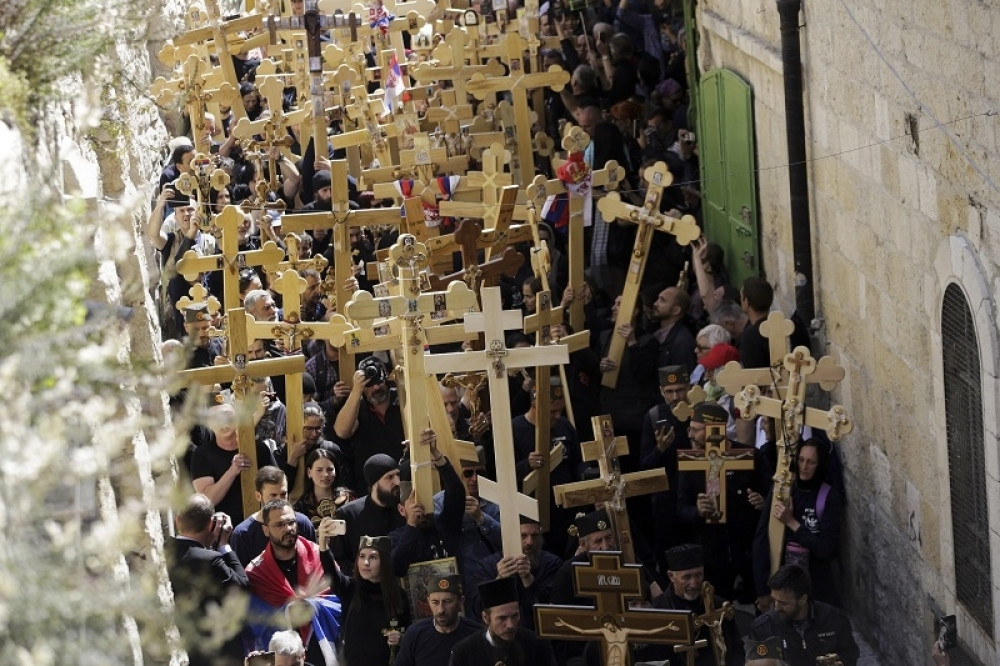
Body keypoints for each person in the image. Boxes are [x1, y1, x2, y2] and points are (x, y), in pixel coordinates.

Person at [245, 499, 341, 665]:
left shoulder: (320, 557)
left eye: (291, 522)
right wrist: (289, 611)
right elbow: (255, 623)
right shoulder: (256, 572)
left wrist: (313, 606)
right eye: (280, 525)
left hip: (321, 650)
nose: (288, 529)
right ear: (266, 530)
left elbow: (341, 600)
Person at [752, 438, 844, 609]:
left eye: (811, 462)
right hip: (780, 582)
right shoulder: (783, 490)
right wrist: (762, 590)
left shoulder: (828, 497)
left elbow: (826, 548)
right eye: (801, 460)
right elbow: (762, 538)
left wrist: (792, 523)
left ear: (820, 464)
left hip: (815, 586)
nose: (804, 466)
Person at [168, 493, 248, 666]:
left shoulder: (165, 552)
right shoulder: (211, 559)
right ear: (212, 524)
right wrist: (224, 546)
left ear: (178, 521)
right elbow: (242, 585)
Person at [318, 529, 409, 666]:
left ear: (384, 562)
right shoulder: (350, 588)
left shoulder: (398, 595)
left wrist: (401, 639)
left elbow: (409, 633)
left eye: (373, 557)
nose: (365, 562)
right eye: (361, 556)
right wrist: (323, 545)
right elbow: (331, 574)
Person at [645, 544, 742, 665]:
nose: (694, 583)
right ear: (671, 576)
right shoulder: (658, 611)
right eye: (687, 577)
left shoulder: (719, 606)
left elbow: (736, 649)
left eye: (698, 575)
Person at [747, 565, 859, 666]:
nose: (776, 608)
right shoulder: (762, 629)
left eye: (783, 603)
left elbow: (850, 655)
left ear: (802, 599)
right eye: (774, 600)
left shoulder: (835, 620)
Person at [466, 517, 563, 630]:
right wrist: (499, 580)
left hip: (538, 633)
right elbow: (477, 607)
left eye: (535, 535)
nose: (529, 542)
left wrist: (528, 579)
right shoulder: (487, 566)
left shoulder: (552, 564)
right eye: (523, 536)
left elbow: (551, 608)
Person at [190, 401, 278, 524]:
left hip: (262, 522)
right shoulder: (202, 454)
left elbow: (278, 484)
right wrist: (232, 471)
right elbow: (207, 500)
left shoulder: (257, 448)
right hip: (224, 528)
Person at [333, 357, 406, 497]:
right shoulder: (356, 407)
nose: (376, 388)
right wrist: (356, 390)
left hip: (402, 481)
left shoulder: (401, 400)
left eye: (379, 382)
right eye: (370, 384)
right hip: (370, 488)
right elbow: (341, 432)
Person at [449, 576, 557, 666]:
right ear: (486, 618)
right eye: (502, 618)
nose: (510, 625)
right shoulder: (463, 652)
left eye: (515, 616)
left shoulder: (538, 645)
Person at [230, 466, 317, 566]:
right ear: (258, 496)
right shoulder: (243, 534)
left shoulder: (302, 523)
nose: (280, 500)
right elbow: (241, 577)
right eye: (273, 495)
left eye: (283, 494)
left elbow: (314, 563)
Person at [333, 453, 405, 574]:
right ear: (374, 483)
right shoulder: (349, 514)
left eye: (398, 475)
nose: (397, 482)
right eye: (389, 477)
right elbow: (340, 559)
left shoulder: (403, 509)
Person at [395, 574, 481, 666]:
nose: (441, 610)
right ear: (428, 601)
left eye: (448, 601)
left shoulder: (477, 635)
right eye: (435, 602)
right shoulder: (415, 635)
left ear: (460, 601)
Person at [294, 449, 354, 528]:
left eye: (330, 470)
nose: (325, 474)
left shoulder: (348, 499)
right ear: (309, 472)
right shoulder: (301, 507)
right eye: (319, 470)